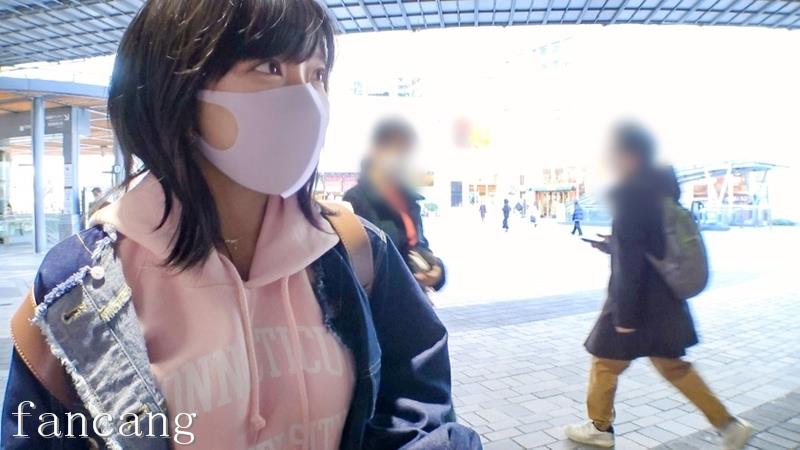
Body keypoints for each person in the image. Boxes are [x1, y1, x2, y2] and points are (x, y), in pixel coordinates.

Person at [1, 2, 480, 449]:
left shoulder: (355, 250)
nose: (307, 99)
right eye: (269, 67)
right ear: (178, 87)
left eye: (317, 74)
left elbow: (418, 405)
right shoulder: (76, 286)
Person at [565, 123, 751, 449]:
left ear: (631, 156)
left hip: (634, 304)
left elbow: (631, 264)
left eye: (615, 154)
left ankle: (599, 427)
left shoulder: (631, 196)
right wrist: (613, 244)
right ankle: (728, 425)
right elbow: (648, 246)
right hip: (664, 303)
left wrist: (624, 317)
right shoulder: (660, 191)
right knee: (674, 367)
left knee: (604, 362)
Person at [344, 118, 446, 293]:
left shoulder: (409, 199)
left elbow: (419, 246)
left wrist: (437, 271)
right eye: (397, 150)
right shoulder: (357, 199)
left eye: (407, 152)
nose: (403, 159)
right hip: (382, 301)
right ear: (377, 151)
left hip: (414, 296)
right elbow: (357, 262)